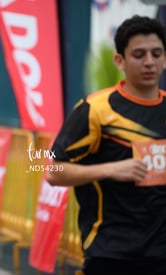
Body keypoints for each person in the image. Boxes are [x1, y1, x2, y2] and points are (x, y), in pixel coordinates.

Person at [47, 15, 166, 275]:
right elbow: (53, 173)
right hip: (112, 254)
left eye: (156, 53)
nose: (149, 62)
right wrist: (111, 169)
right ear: (119, 60)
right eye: (139, 54)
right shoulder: (95, 109)